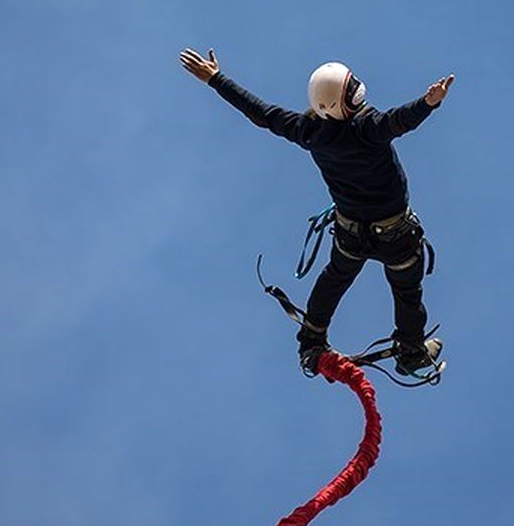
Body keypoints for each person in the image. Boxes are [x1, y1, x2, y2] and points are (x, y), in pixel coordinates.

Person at [179, 47, 454, 377]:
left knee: (334, 279)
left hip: (352, 233)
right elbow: (400, 120)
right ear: (349, 97)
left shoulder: (310, 132)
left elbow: (260, 113)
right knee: (407, 290)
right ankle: (410, 352)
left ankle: (311, 342)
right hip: (394, 234)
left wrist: (216, 79)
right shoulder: (367, 128)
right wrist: (429, 103)